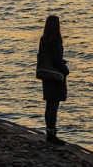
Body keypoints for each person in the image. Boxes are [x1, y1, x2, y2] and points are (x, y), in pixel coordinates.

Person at [39, 15, 69, 144]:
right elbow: (56, 59)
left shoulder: (43, 39)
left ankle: (49, 131)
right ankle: (52, 135)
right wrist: (65, 69)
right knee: (54, 105)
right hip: (55, 76)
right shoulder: (55, 40)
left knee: (49, 104)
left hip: (46, 75)